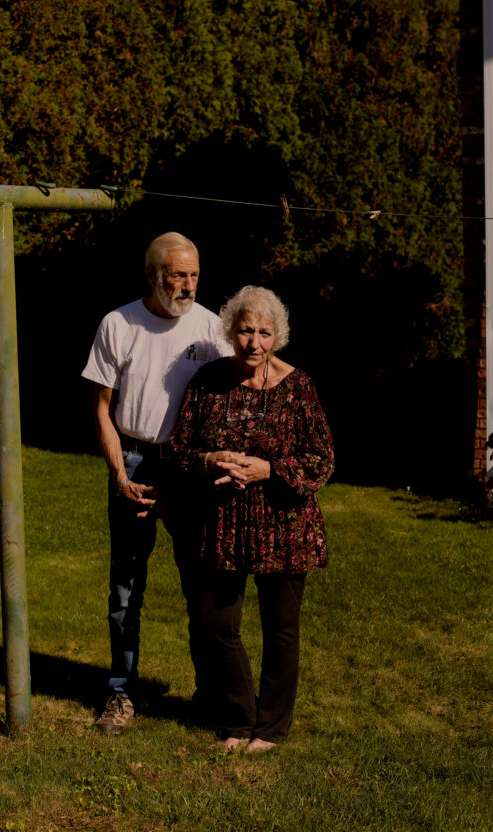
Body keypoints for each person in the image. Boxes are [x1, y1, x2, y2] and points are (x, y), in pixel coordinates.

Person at [170, 285, 334, 753]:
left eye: (264, 332)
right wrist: (211, 460)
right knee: (215, 624)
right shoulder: (207, 381)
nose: (254, 342)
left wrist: (270, 469)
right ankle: (239, 718)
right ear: (230, 331)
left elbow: (322, 460)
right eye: (245, 330)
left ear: (277, 335)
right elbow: (181, 449)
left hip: (284, 524)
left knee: (281, 628)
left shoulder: (298, 386)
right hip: (220, 524)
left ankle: (272, 727)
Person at [82, 232, 228, 732]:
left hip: (189, 467)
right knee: (125, 585)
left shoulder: (213, 330)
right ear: (151, 276)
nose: (186, 286)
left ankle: (209, 696)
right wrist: (120, 475)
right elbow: (100, 409)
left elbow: (231, 407)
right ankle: (120, 694)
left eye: (193, 276)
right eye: (175, 277)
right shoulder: (118, 324)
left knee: (201, 584)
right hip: (135, 458)